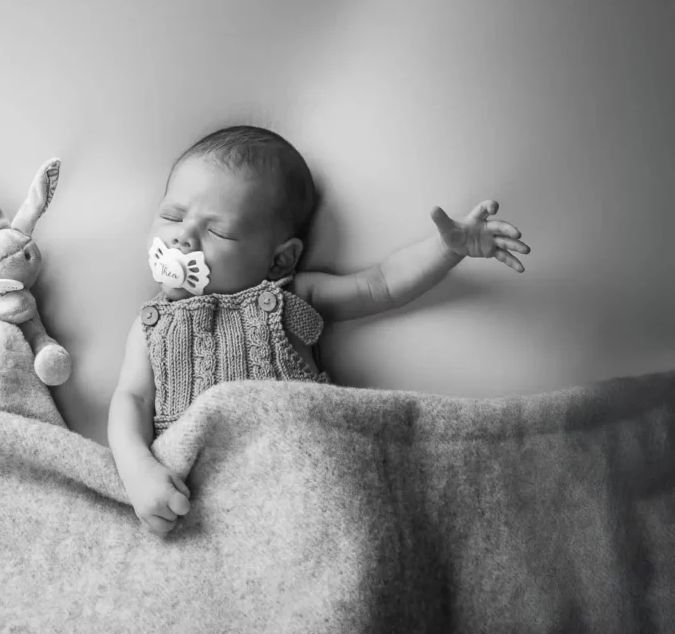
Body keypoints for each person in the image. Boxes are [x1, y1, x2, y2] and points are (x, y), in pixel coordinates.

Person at [107, 125, 531, 535]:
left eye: (218, 231)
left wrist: (446, 249)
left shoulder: (290, 295)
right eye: (172, 215)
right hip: (197, 500)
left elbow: (382, 284)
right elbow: (132, 400)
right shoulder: (151, 326)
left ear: (279, 260)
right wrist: (137, 470)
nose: (183, 237)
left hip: (302, 482)